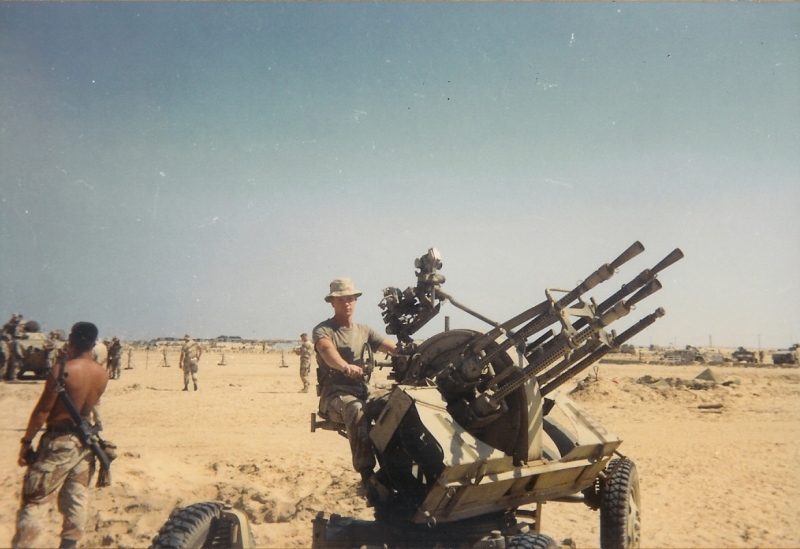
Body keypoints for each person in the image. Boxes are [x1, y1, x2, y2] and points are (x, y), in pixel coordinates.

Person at [12, 321, 108, 549]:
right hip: (83, 444)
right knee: (76, 497)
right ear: (94, 343)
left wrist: (26, 442)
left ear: (72, 340)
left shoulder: (62, 369)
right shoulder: (102, 374)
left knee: (35, 499)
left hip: (58, 442)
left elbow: (43, 411)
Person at [313, 278, 396, 497]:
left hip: (363, 391)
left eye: (350, 299)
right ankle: (367, 475)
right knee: (356, 410)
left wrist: (416, 352)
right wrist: (345, 366)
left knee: (396, 405)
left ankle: (394, 467)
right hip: (335, 396)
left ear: (355, 301)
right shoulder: (324, 330)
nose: (346, 304)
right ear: (332, 302)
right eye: (340, 300)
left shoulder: (364, 331)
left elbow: (392, 347)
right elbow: (326, 350)